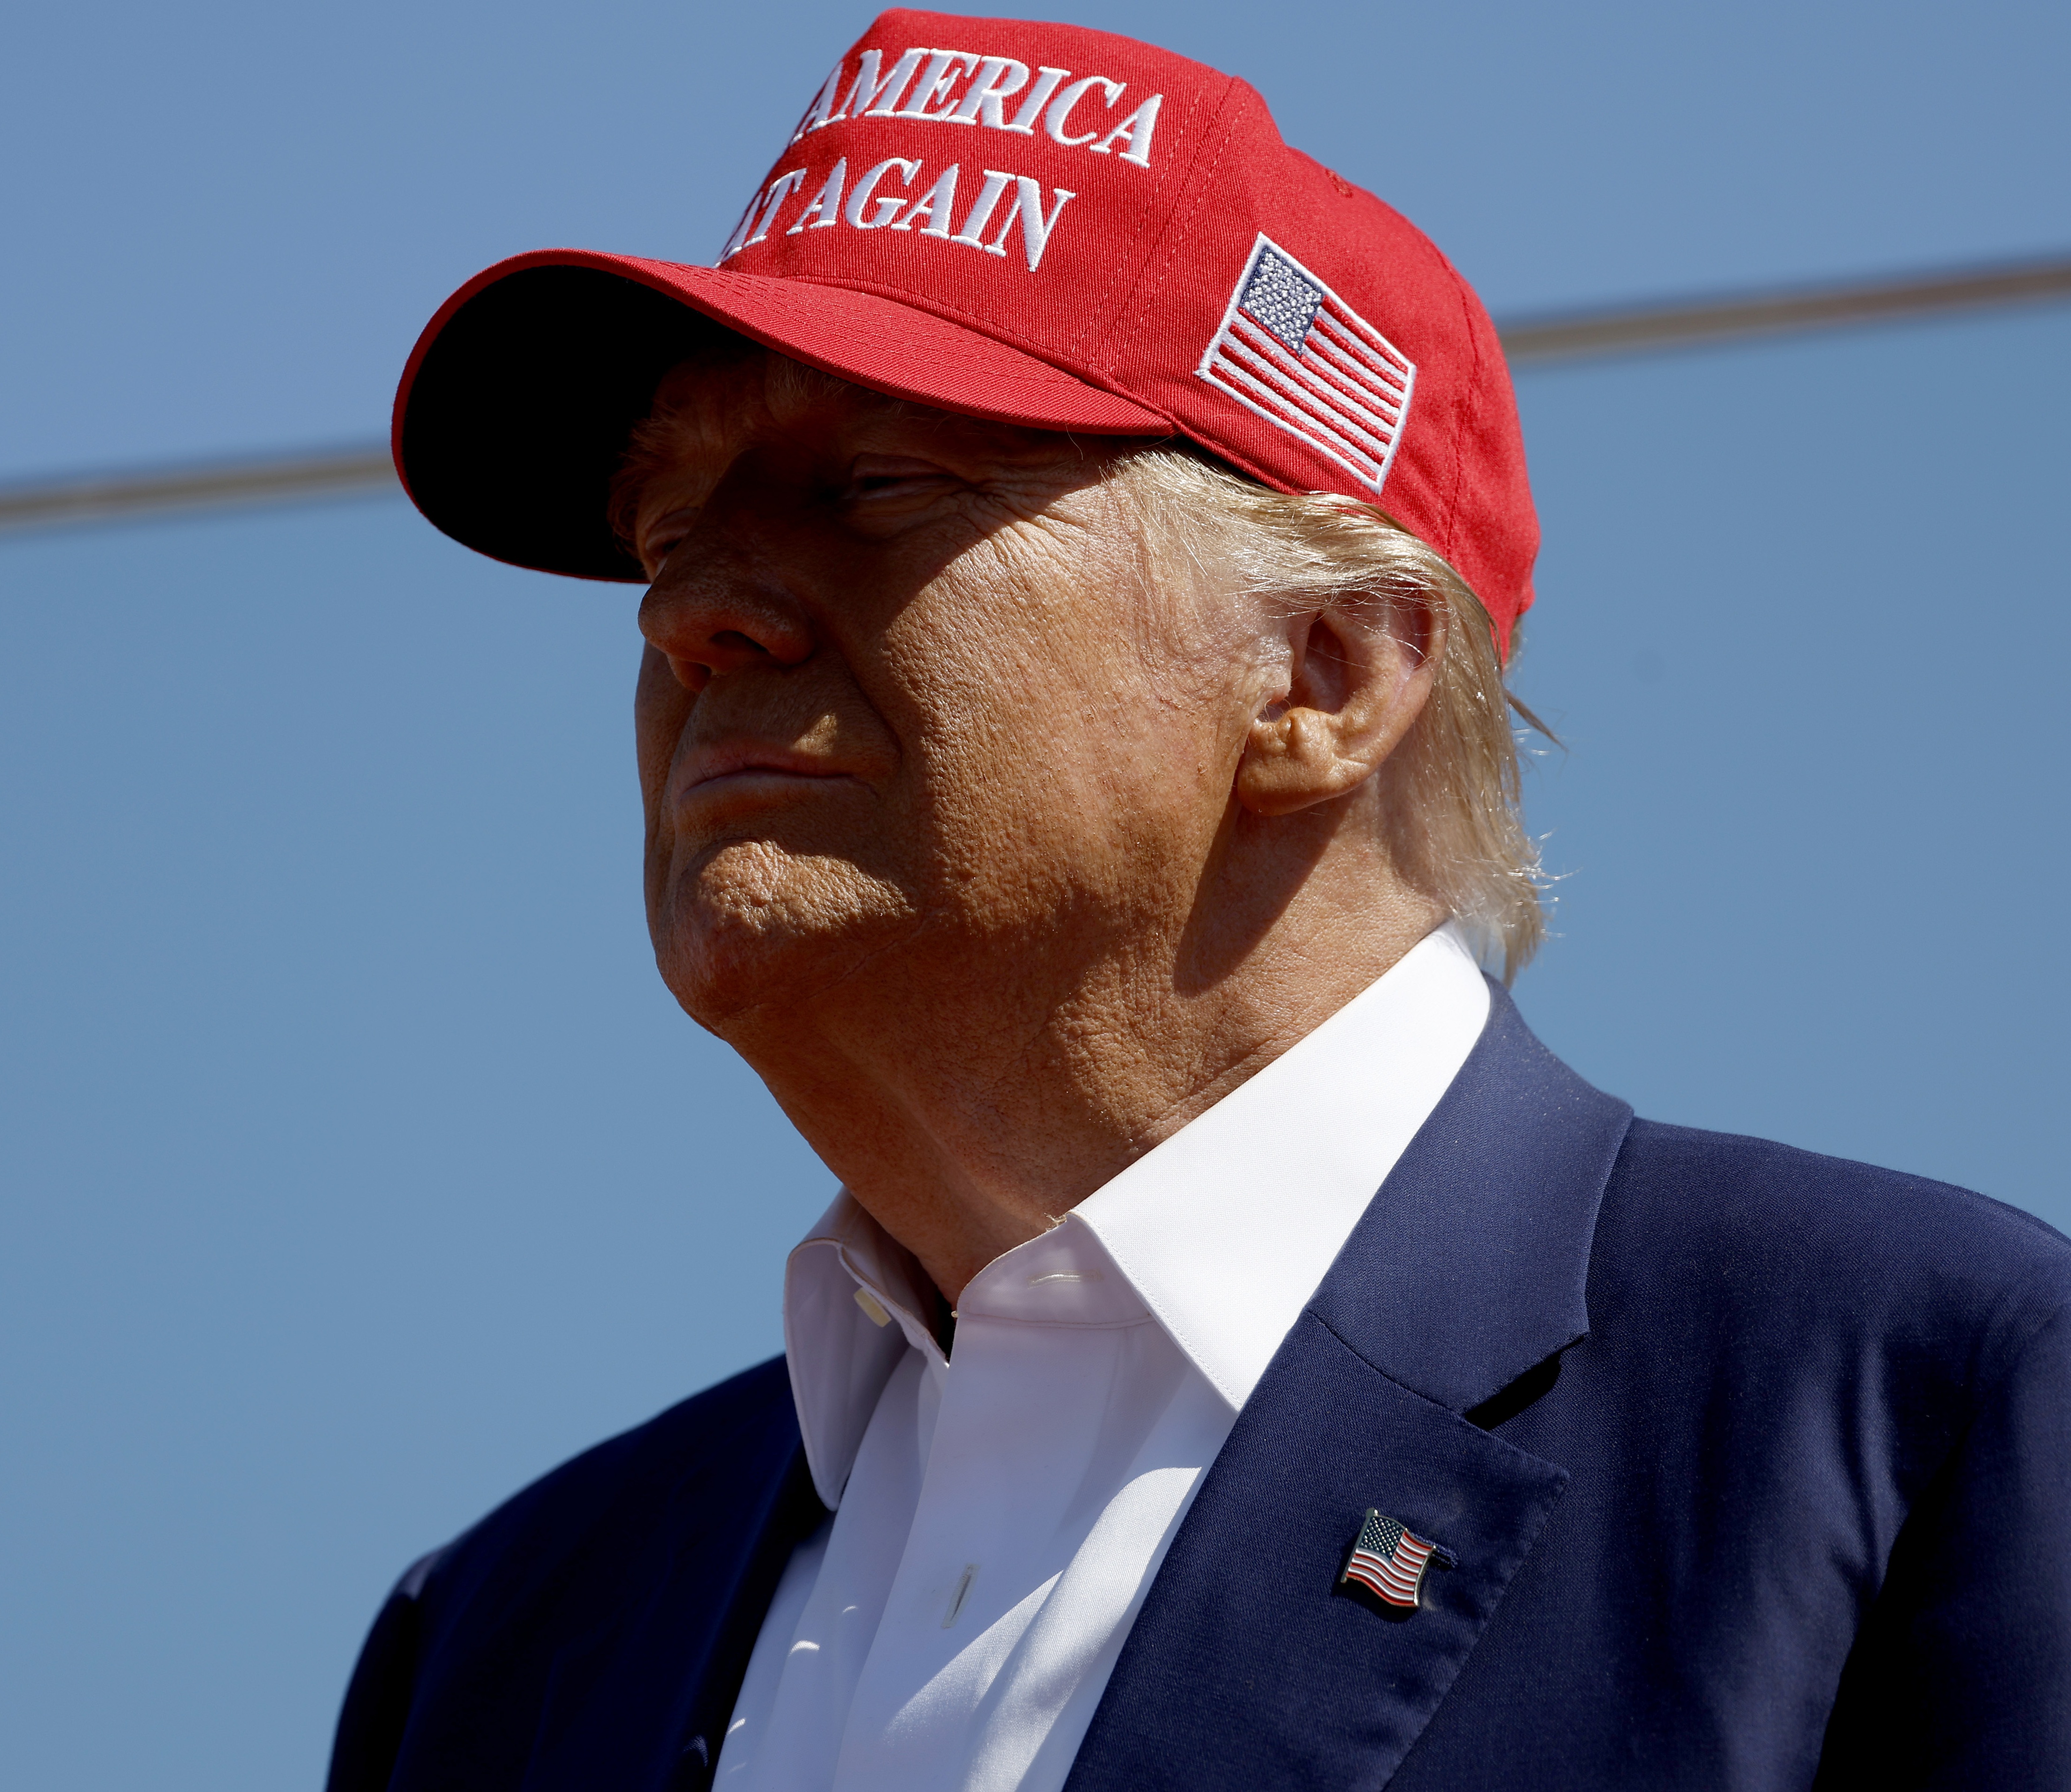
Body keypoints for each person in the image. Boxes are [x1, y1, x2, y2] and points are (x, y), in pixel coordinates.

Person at [329, 11, 2071, 1788]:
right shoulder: (501, 1644)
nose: (688, 614)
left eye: (877, 483)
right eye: (667, 524)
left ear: (1319, 675)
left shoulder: (1919, 1415)